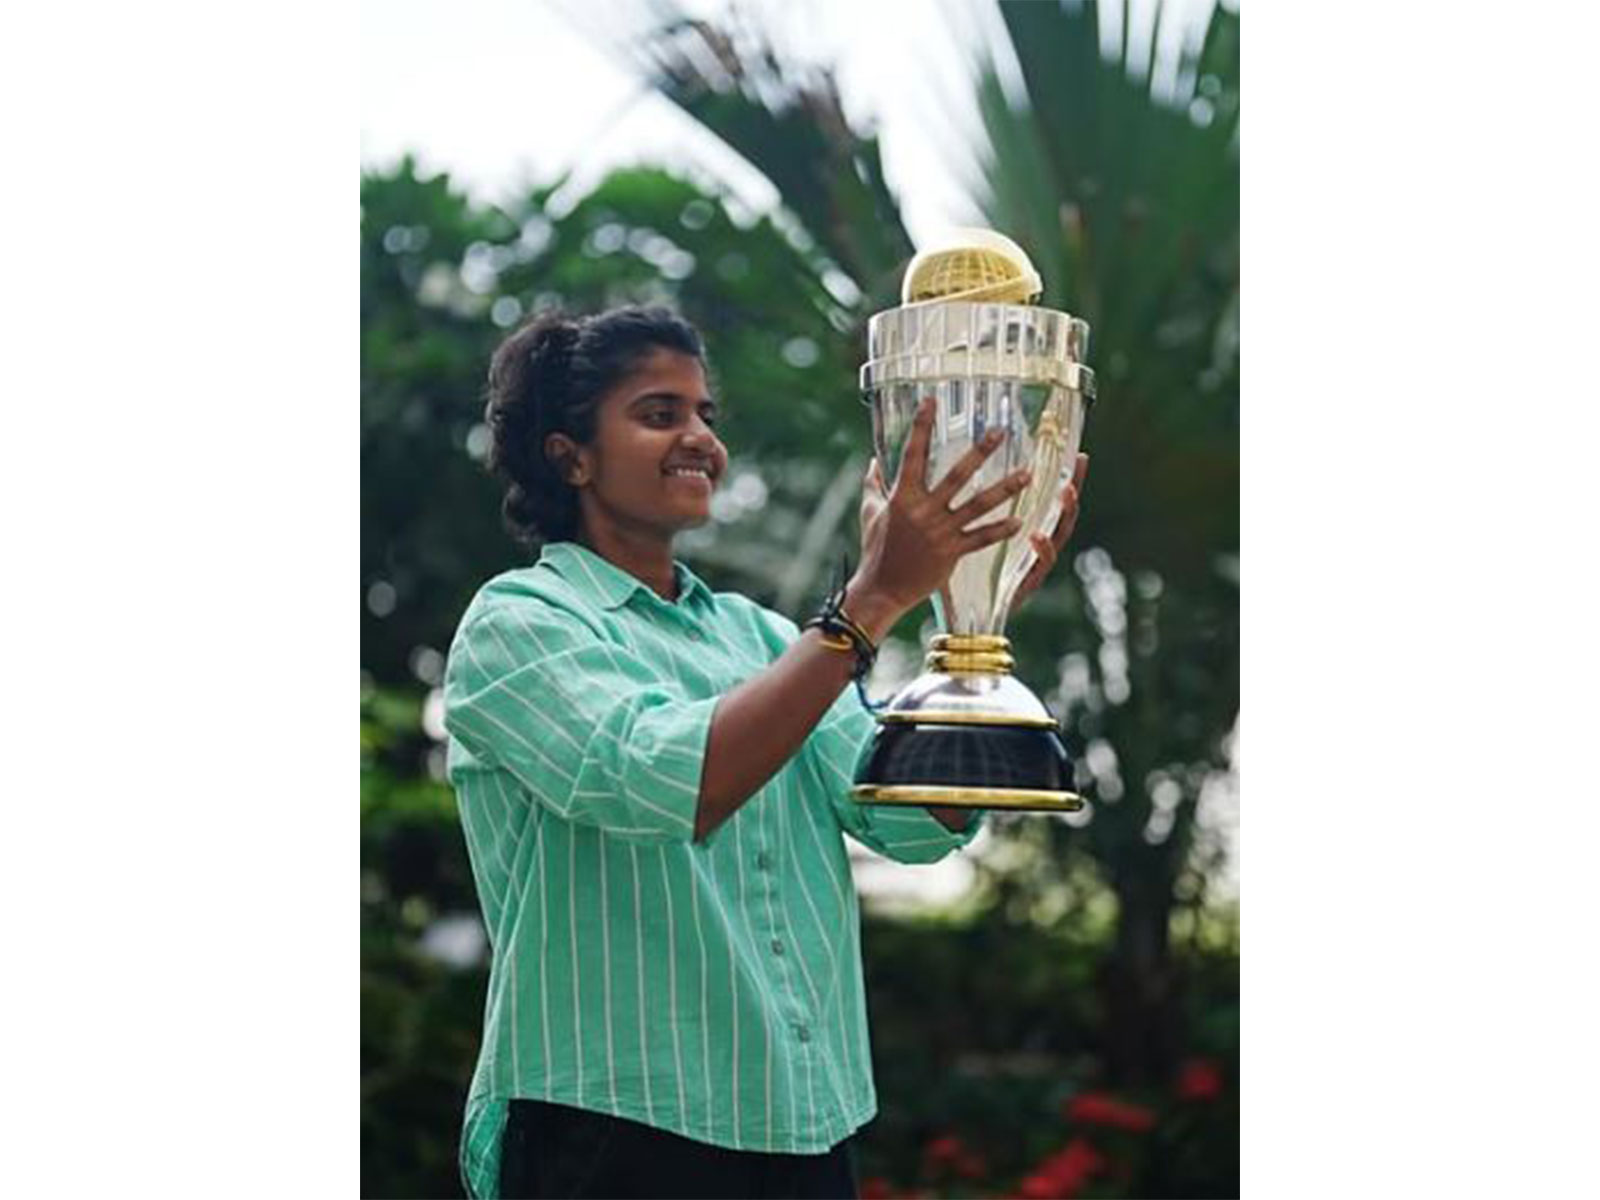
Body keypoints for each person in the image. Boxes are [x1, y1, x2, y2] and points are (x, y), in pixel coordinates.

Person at [442, 305, 1088, 1199]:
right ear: (570, 456)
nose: (700, 437)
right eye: (660, 414)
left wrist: (970, 614)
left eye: (707, 414)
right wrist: (867, 604)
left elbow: (914, 821)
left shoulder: (764, 638)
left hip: (801, 1127)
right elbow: (669, 780)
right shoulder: (519, 624)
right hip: (612, 1134)